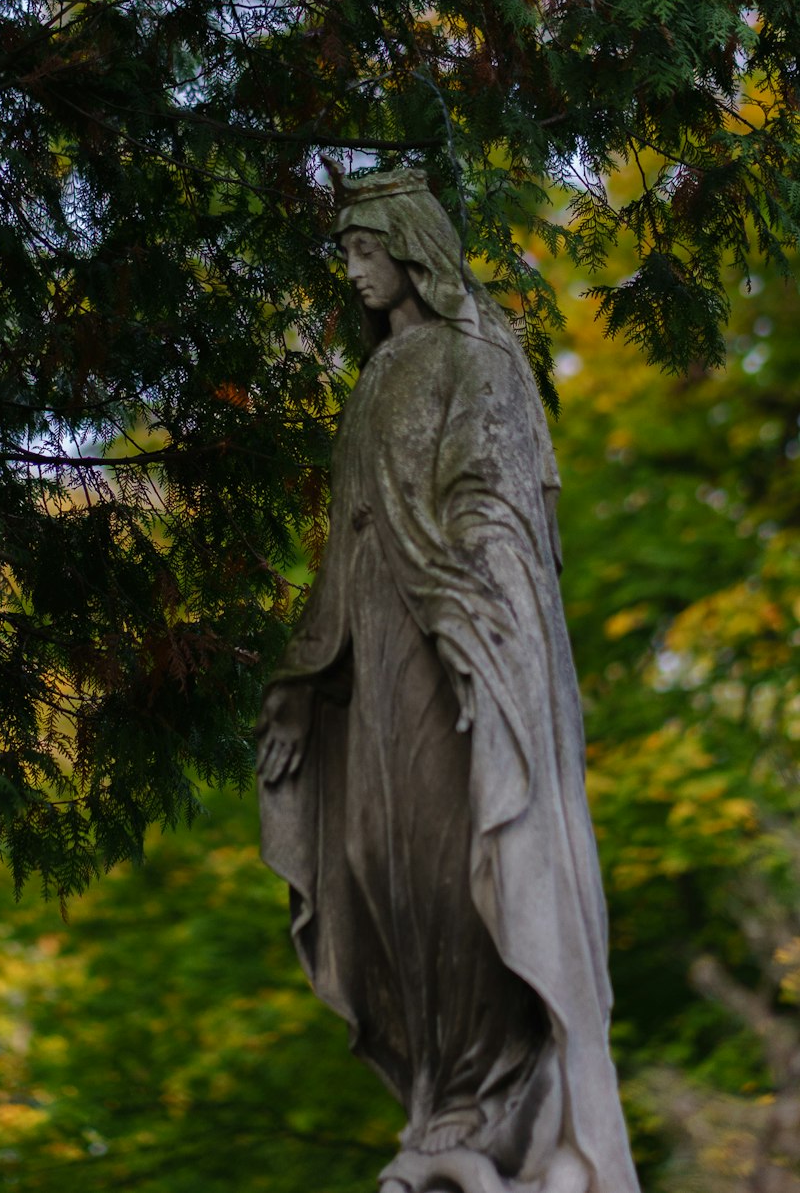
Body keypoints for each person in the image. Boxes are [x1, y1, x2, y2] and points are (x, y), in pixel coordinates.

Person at [256, 166, 640, 1193]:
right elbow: (346, 548)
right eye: (343, 254)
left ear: (410, 245)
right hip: (375, 657)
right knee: (374, 857)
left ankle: (490, 1085)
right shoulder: (380, 374)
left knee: (453, 857)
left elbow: (494, 494)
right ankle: (436, 1093)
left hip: (449, 650)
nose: (351, 274)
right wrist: (302, 682)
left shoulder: (477, 353)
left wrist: (478, 627)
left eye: (361, 251)